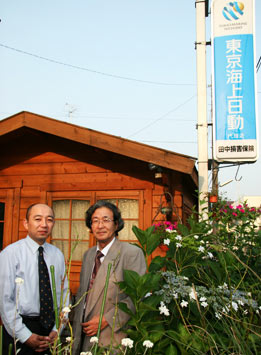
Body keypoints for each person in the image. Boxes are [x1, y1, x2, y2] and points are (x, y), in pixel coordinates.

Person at [72, 201, 147, 354]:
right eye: (95, 221)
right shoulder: (88, 255)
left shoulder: (131, 253)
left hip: (112, 336)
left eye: (106, 220)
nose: (100, 226)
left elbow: (137, 297)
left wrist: (105, 319)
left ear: (116, 224)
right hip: (83, 336)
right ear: (90, 226)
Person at [0, 203, 69, 355]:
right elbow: (5, 301)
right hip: (19, 328)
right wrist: (25, 336)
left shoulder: (57, 254)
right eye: (38, 219)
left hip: (50, 330)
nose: (44, 224)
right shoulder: (10, 254)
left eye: (49, 220)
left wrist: (57, 329)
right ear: (26, 223)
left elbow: (64, 295)